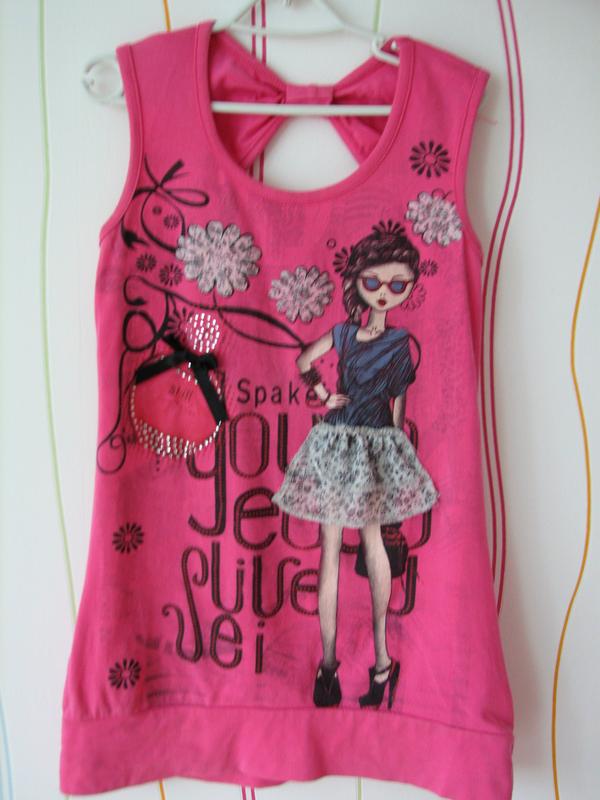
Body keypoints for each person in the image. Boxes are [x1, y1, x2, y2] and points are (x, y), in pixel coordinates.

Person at [272, 220, 440, 710]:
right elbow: (305, 360)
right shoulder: (344, 333)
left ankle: (381, 659)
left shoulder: (400, 342)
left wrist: (394, 460)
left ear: (409, 287)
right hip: (341, 438)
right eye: (374, 282)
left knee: (370, 543)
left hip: (373, 443)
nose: (384, 293)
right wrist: (324, 394)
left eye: (397, 286)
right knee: (330, 550)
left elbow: (400, 405)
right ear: (358, 282)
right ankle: (329, 663)